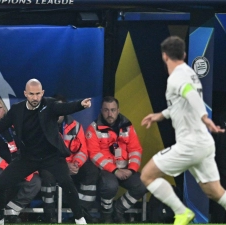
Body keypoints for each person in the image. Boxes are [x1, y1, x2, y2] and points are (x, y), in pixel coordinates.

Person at [0, 78, 91, 225]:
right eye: (31, 94)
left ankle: (79, 218)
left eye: (38, 94)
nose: (35, 97)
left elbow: (65, 108)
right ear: (25, 93)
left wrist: (80, 105)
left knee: (67, 184)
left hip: (51, 156)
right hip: (27, 157)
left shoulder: (50, 104)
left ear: (42, 93)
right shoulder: (17, 110)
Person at [140, 36, 226, 225]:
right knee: (214, 191)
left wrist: (205, 117)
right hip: (203, 143)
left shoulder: (176, 78)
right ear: (184, 54)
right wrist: (160, 115)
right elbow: (181, 103)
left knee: (147, 175)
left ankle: (181, 212)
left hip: (190, 144)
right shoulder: (189, 72)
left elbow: (190, 94)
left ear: (164, 56)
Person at [0, 97, 41, 223]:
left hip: (16, 166)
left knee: (35, 180)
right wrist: (6, 166)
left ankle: (11, 212)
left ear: (4, 110)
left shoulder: (15, 127)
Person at [85, 96, 146, 223]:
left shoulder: (128, 127)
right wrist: (115, 170)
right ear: (101, 110)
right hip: (105, 170)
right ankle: (106, 214)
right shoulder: (93, 129)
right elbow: (94, 155)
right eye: (106, 110)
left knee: (143, 183)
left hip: (125, 169)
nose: (110, 114)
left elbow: (135, 150)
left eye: (113, 110)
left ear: (118, 110)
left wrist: (132, 170)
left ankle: (118, 210)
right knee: (110, 185)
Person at [39, 95, 99, 223]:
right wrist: (66, 166)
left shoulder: (75, 126)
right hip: (51, 166)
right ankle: (49, 215)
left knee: (91, 170)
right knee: (46, 175)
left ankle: (82, 211)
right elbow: (44, 153)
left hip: (72, 166)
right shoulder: (42, 126)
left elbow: (82, 151)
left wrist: (76, 164)